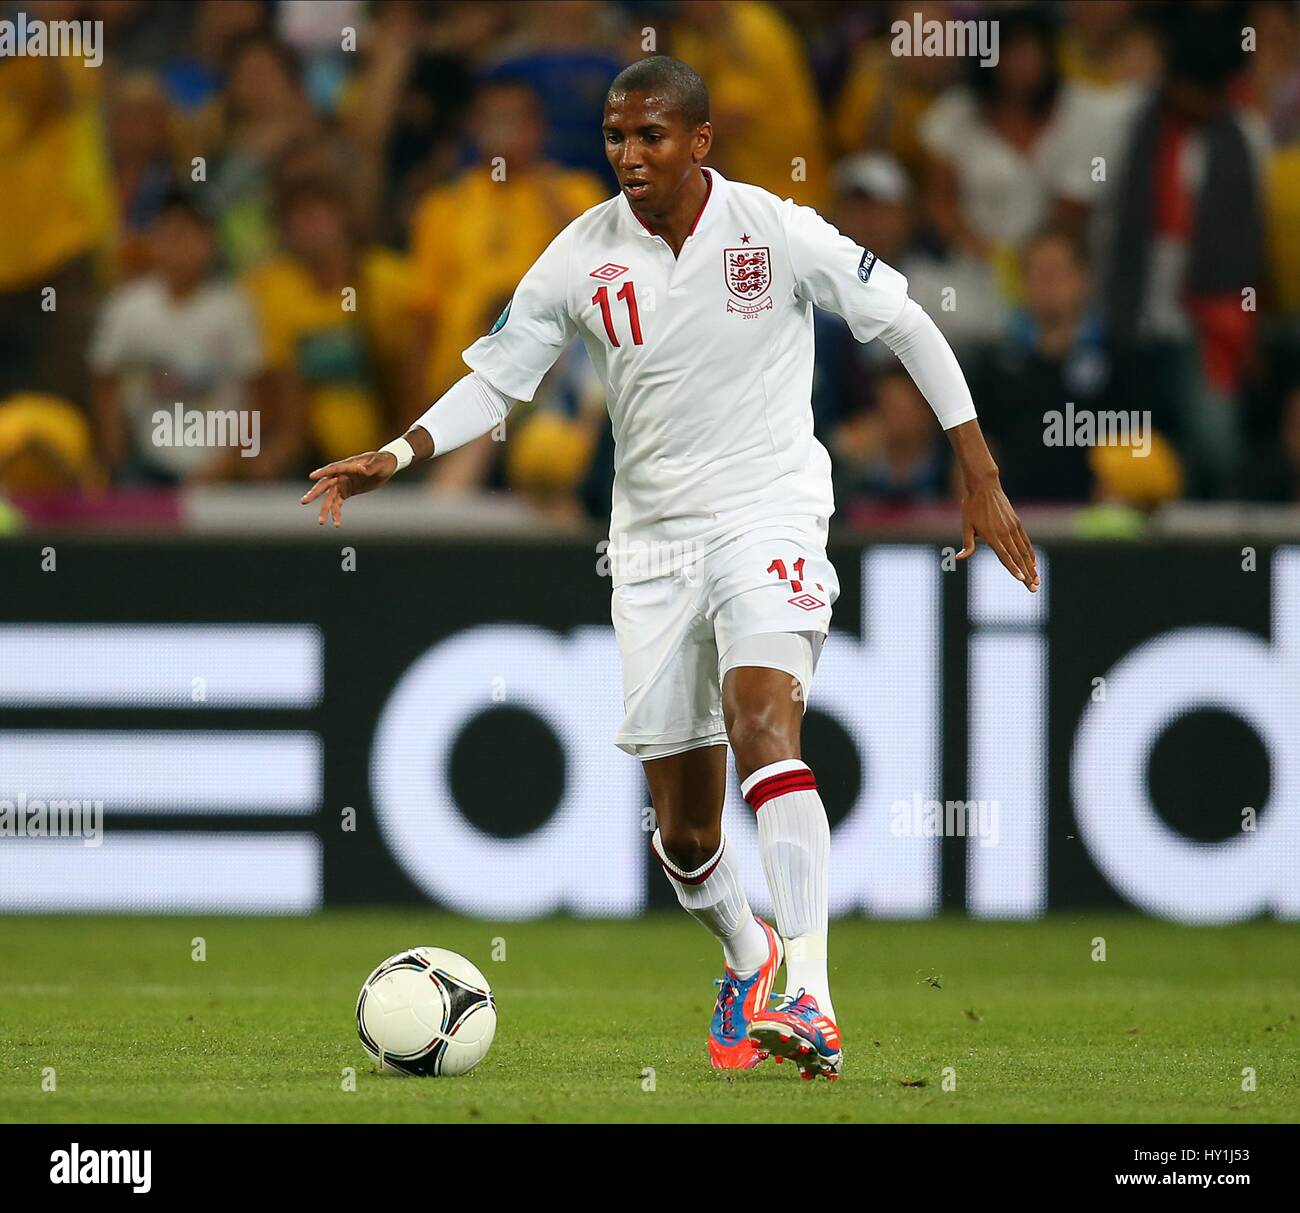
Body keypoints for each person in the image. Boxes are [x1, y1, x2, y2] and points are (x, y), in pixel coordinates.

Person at [302, 56, 1038, 1082]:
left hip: (771, 514)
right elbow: (497, 379)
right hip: (649, 545)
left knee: (763, 723)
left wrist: (978, 469)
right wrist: (396, 453)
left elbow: (905, 319)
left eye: (650, 136)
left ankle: (812, 999)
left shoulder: (775, 232)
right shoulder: (578, 256)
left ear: (699, 142)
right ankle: (749, 950)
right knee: (687, 832)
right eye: (614, 136)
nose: (628, 155)